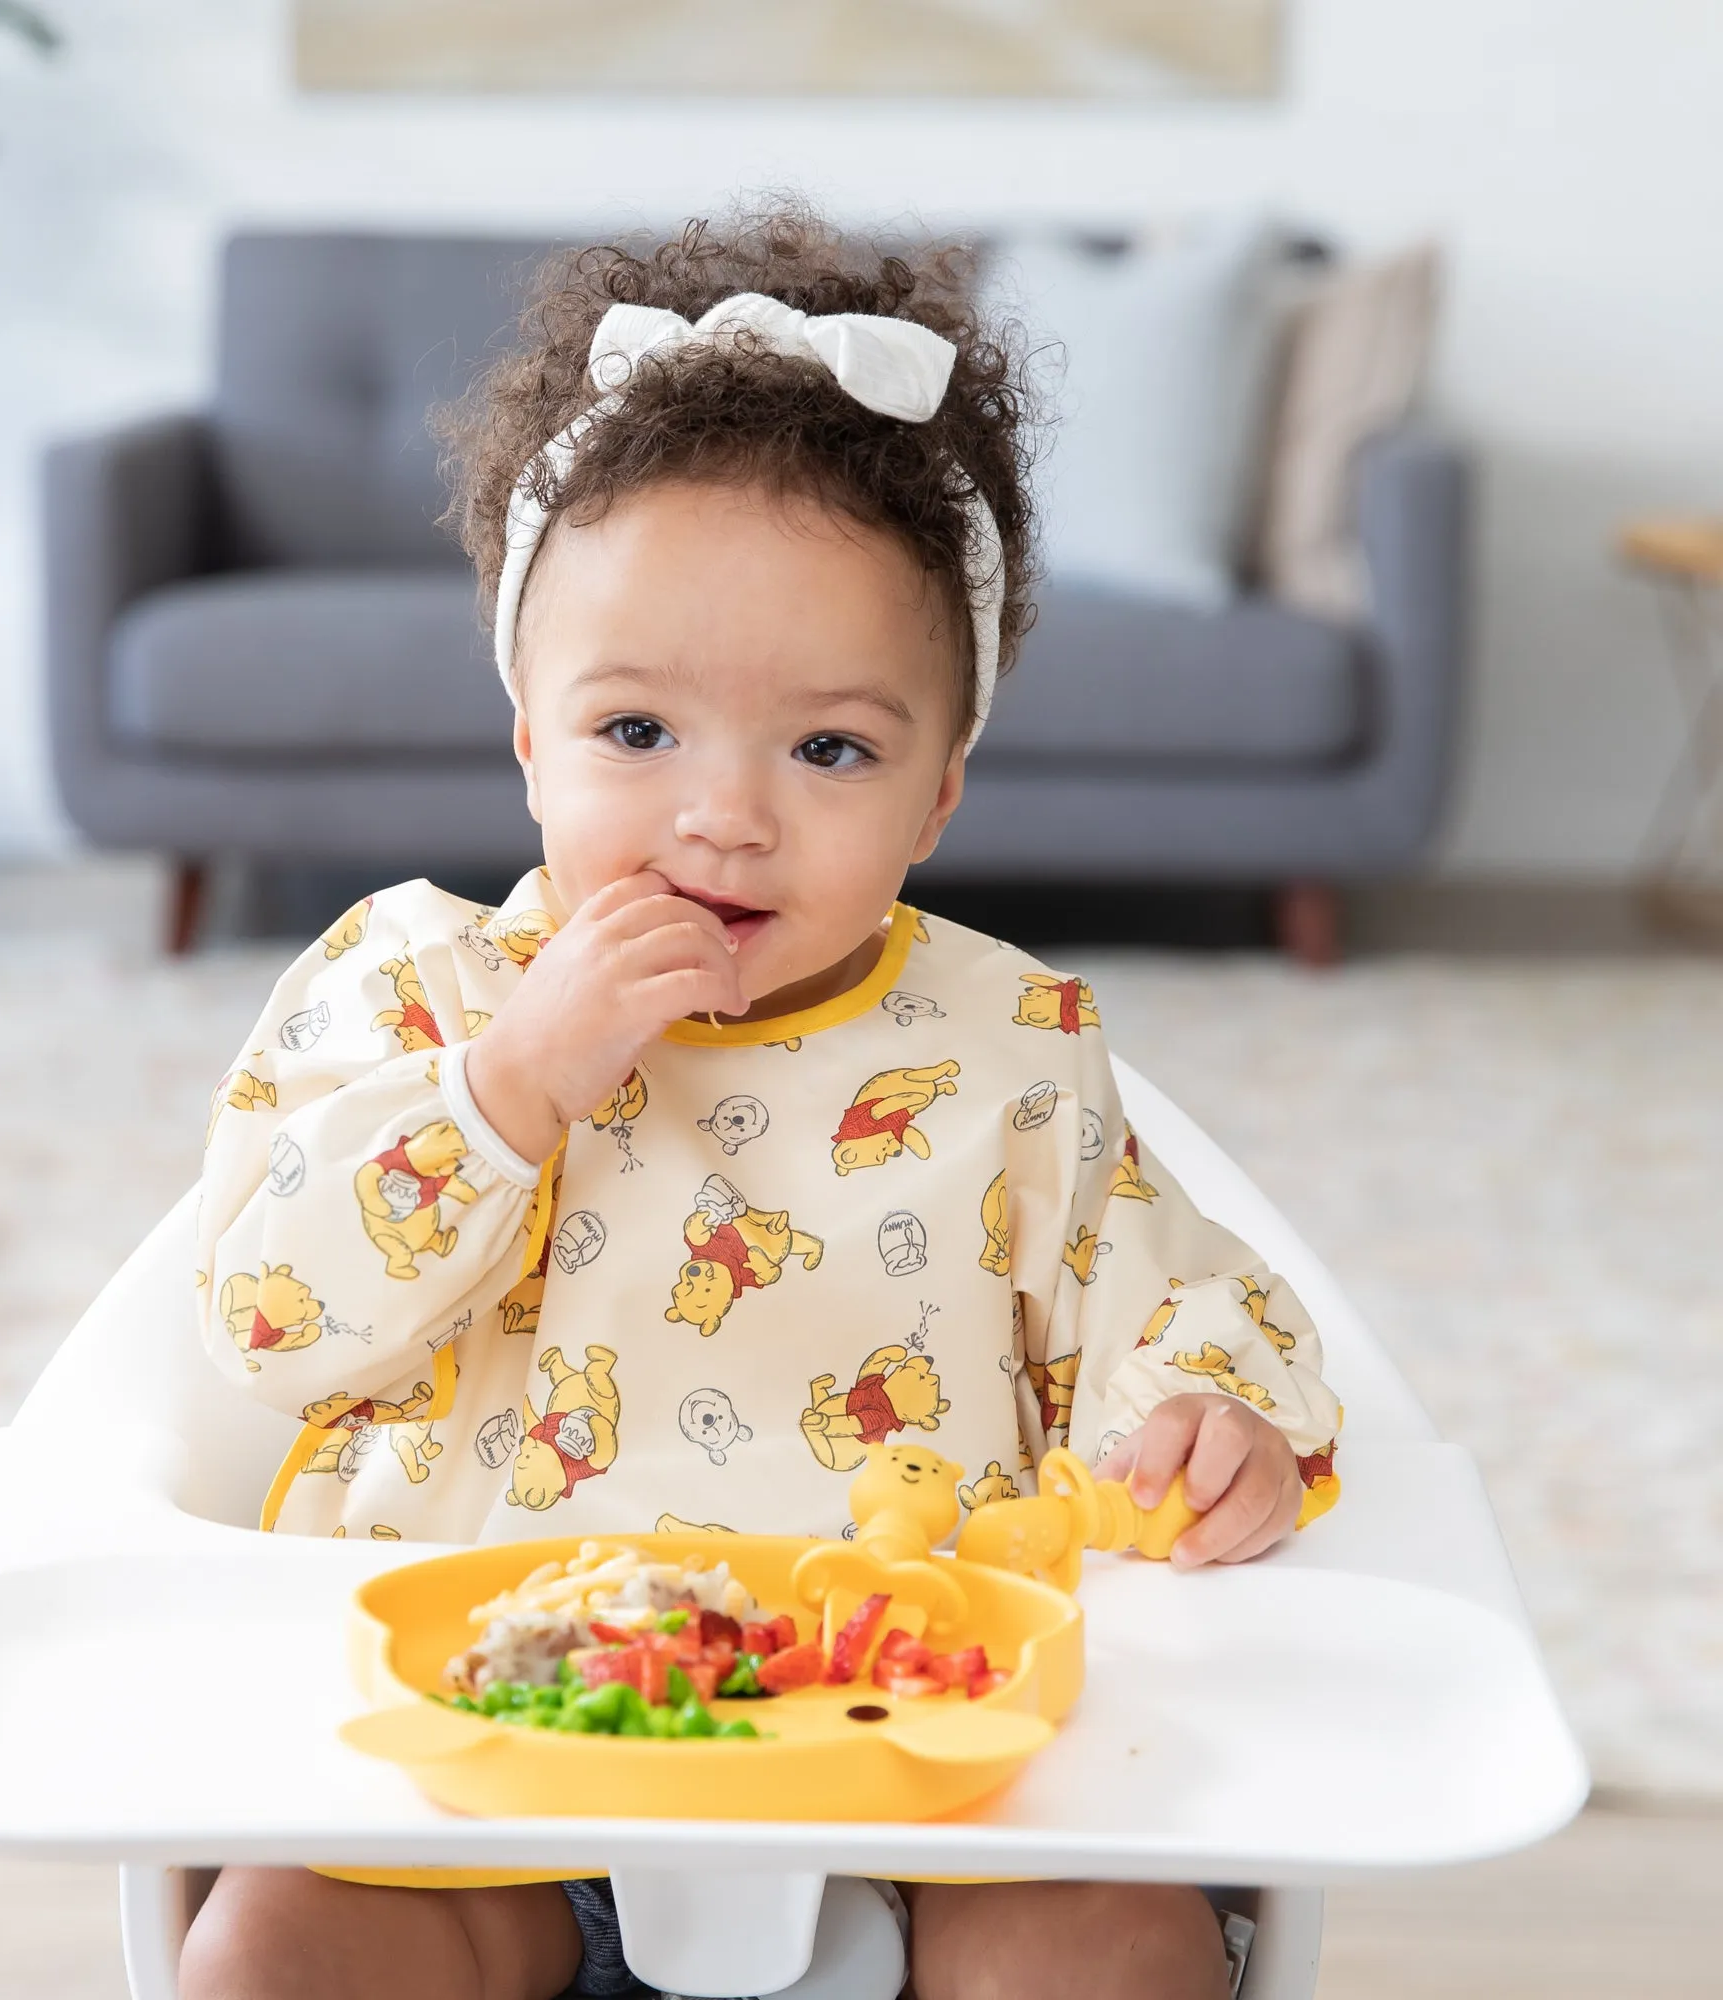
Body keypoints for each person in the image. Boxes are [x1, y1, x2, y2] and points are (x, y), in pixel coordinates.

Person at [179, 202, 1341, 2000]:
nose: (725, 814)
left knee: (1115, 1950)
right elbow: (262, 1315)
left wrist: (1212, 1428)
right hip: (488, 1767)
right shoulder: (411, 988)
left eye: (830, 750)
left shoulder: (1009, 1045)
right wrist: (503, 1091)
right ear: (526, 736)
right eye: (635, 733)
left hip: (933, 1770)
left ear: (939, 797)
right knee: (275, 1949)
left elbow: (1176, 1303)